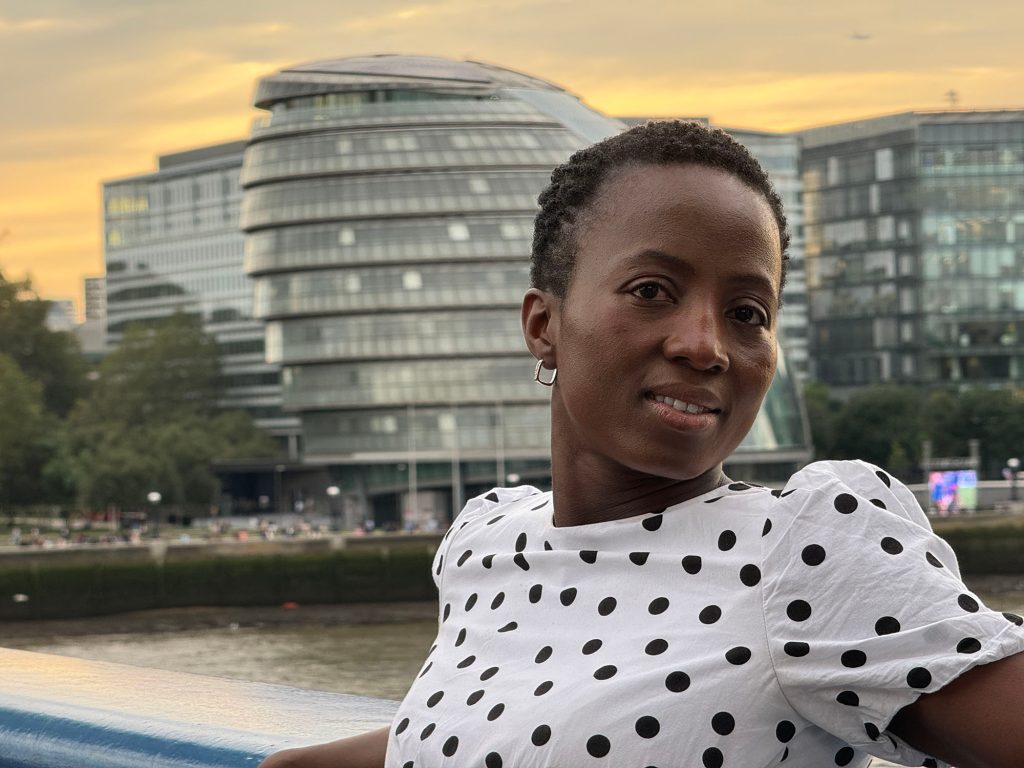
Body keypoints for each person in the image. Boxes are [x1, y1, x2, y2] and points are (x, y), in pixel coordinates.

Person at [259, 121, 1024, 768]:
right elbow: (495, 735)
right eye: (652, 291)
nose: (705, 345)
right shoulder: (485, 543)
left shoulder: (804, 549)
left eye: (748, 313)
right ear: (543, 325)